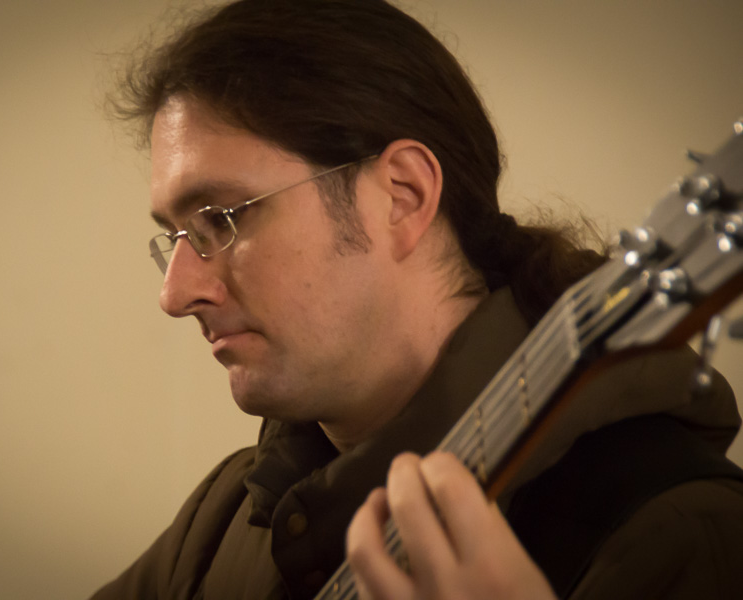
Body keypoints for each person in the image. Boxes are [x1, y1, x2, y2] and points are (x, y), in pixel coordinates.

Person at [90, 1, 743, 598]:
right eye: (175, 236)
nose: (175, 294)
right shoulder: (219, 526)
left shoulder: (682, 533)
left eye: (220, 219)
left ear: (402, 196)